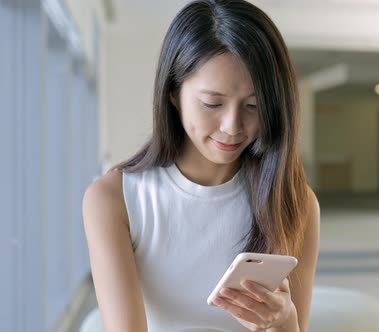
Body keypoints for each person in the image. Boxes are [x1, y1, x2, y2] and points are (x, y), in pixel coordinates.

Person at [82, 0, 320, 331]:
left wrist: (285, 322)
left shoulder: (294, 201)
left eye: (254, 105)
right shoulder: (114, 199)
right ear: (173, 93)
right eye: (213, 103)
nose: (232, 126)